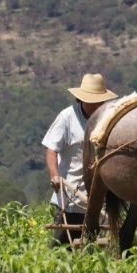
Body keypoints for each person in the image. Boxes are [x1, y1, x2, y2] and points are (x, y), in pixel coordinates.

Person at [43, 73, 117, 246]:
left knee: (97, 247)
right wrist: (55, 176)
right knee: (61, 247)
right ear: (83, 99)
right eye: (93, 100)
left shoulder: (108, 118)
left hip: (100, 198)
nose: (98, 104)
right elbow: (51, 149)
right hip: (71, 197)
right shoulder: (67, 117)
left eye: (100, 100)